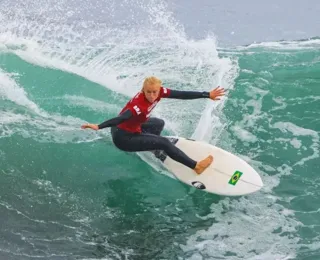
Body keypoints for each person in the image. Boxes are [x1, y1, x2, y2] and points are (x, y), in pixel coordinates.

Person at [81, 76, 225, 174]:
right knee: (163, 142)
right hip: (123, 138)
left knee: (158, 123)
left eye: (154, 92)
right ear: (143, 90)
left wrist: (207, 94)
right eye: (148, 92)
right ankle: (196, 166)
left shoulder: (160, 92)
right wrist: (99, 126)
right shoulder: (139, 105)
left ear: (159, 90)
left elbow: (180, 94)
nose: (151, 95)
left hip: (132, 128)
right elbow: (121, 118)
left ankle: (153, 147)